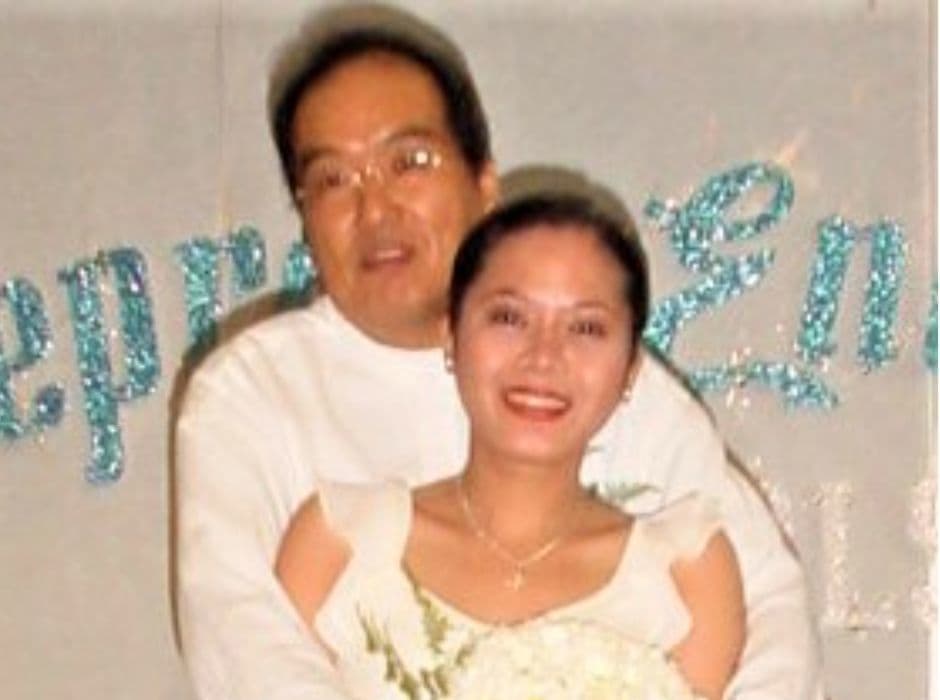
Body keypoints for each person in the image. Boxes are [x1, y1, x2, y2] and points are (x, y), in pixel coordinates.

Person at [174, 9, 821, 700]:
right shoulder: (249, 394)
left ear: (484, 184)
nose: (375, 208)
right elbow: (241, 639)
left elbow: (772, 613)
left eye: (408, 162)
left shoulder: (607, 384)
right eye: (333, 179)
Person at [276, 193, 747, 700]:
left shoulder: (683, 574)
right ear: (452, 335)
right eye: (509, 318)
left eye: (586, 328)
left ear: (631, 367)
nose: (544, 356)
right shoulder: (340, 542)